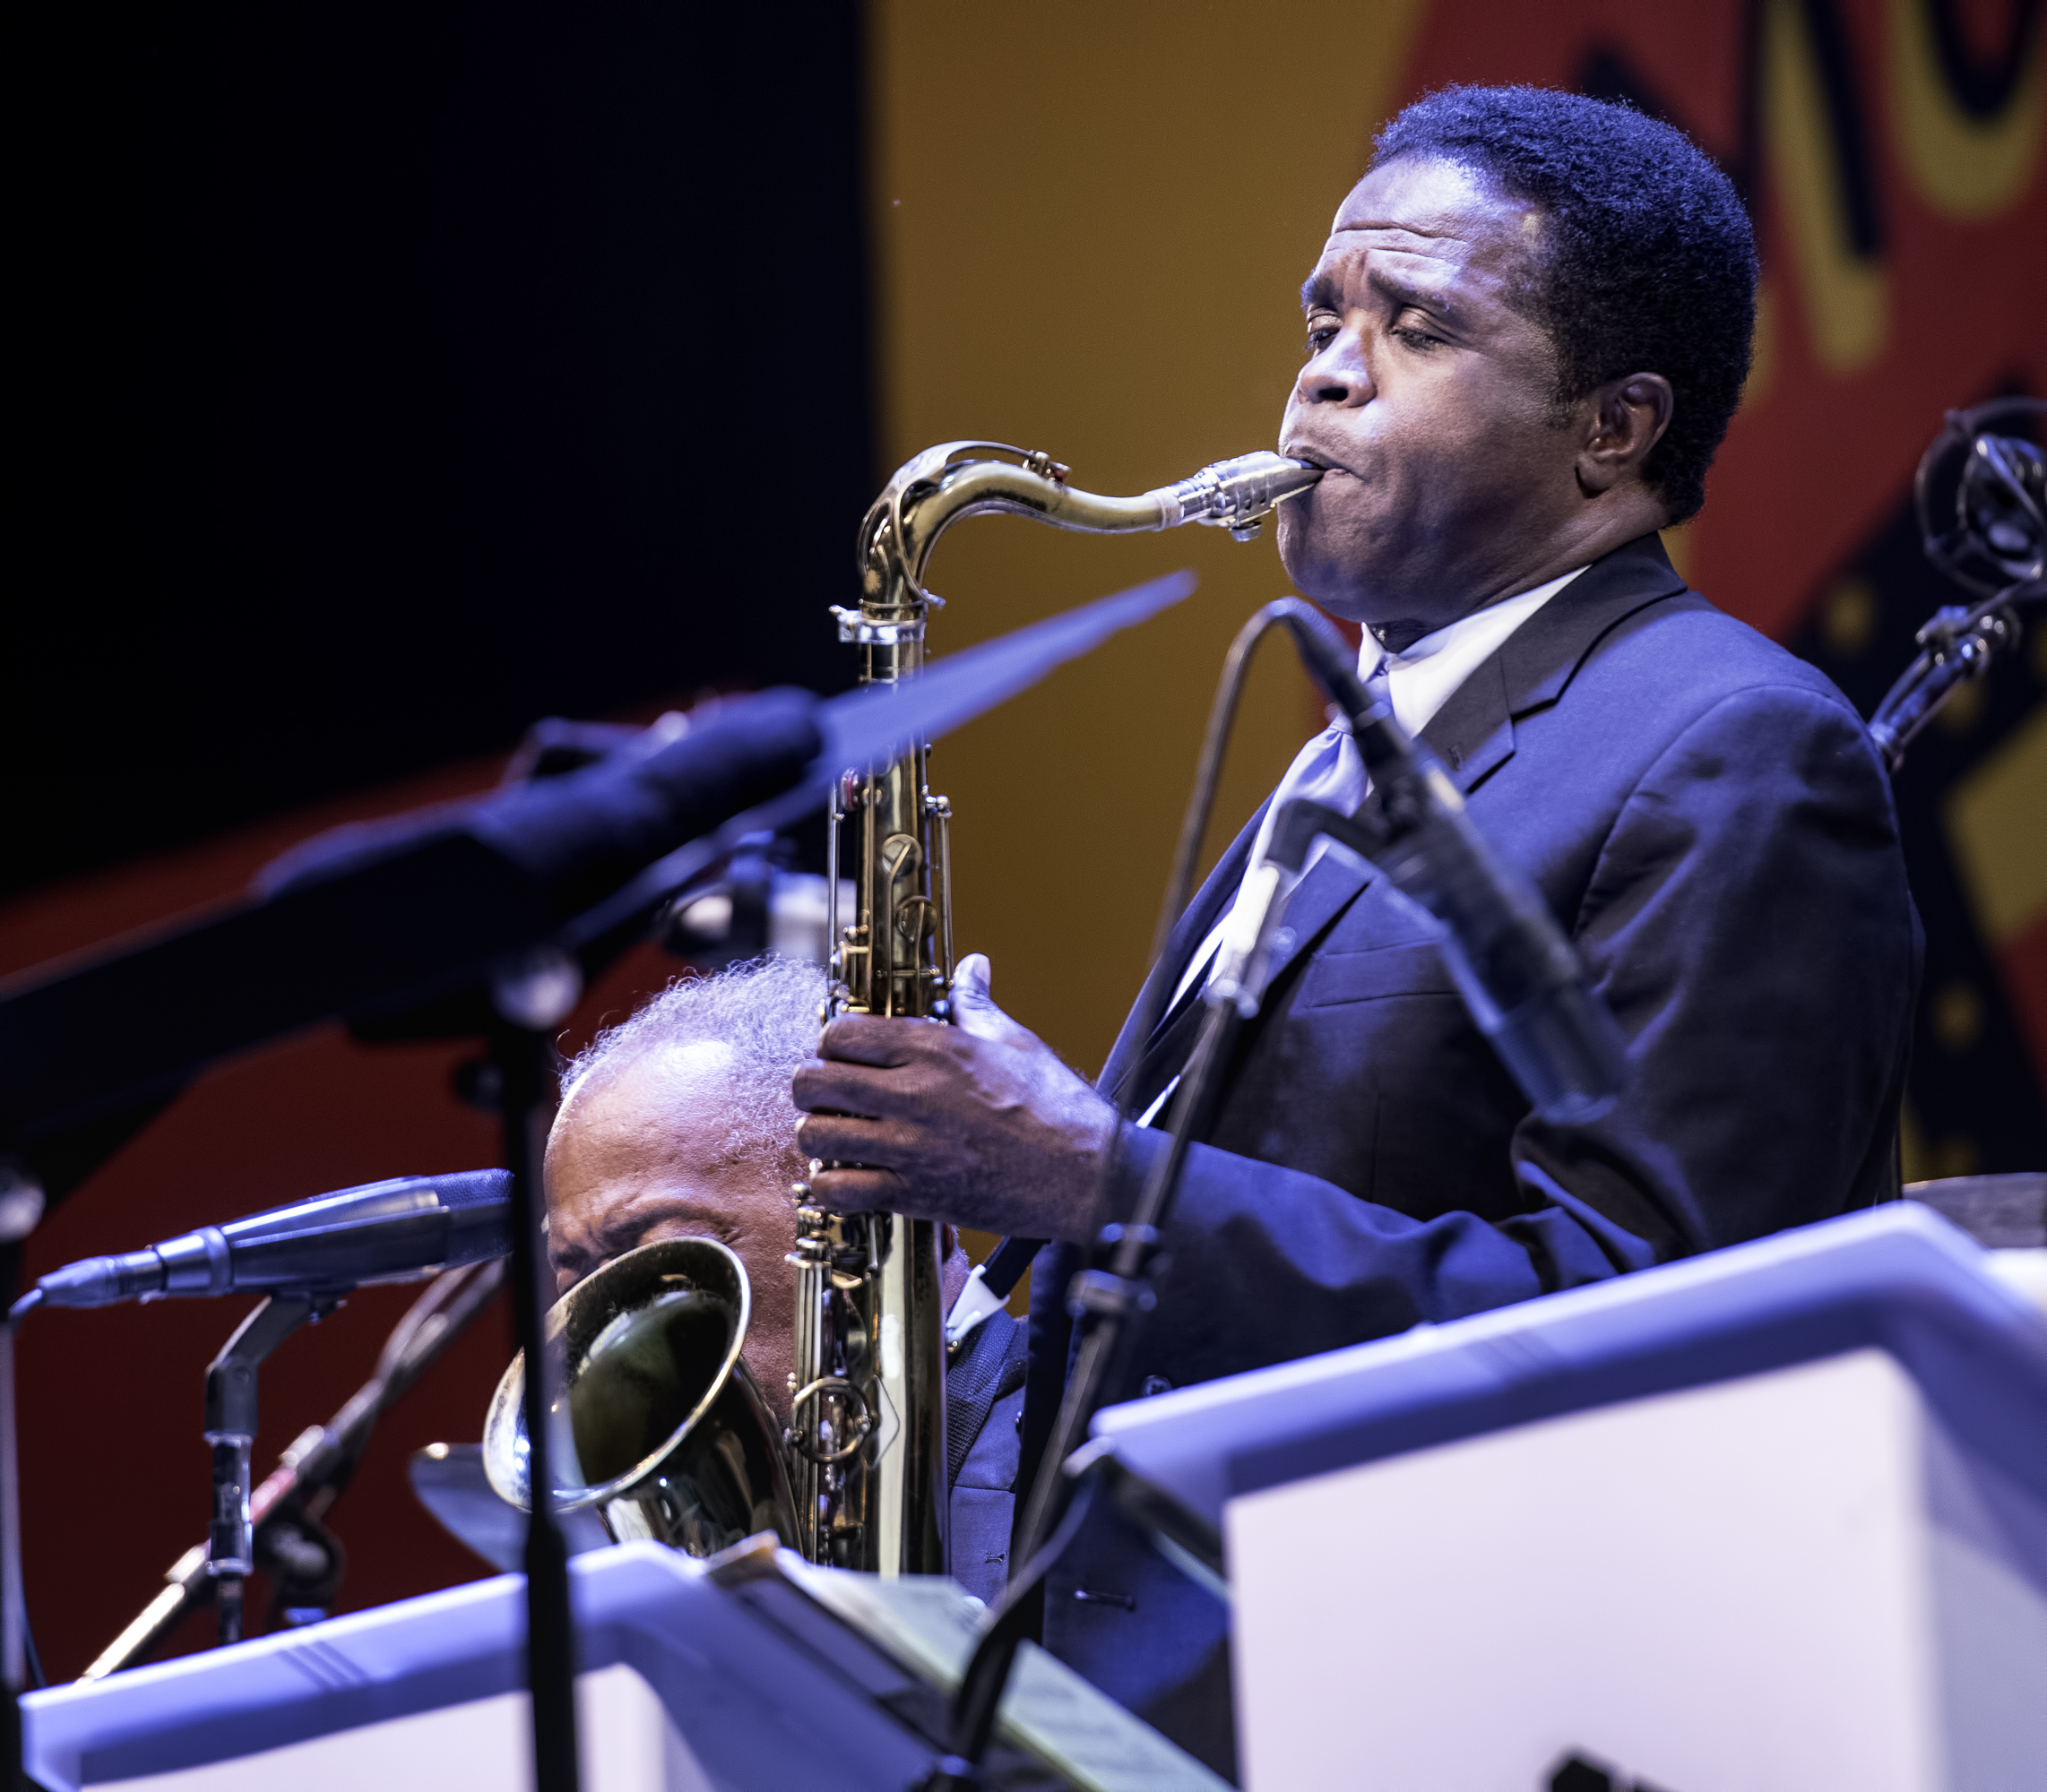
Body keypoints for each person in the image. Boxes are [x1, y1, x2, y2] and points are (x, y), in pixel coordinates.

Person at [790, 85, 1921, 1771]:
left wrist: (1090, 1182)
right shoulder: (1347, 743)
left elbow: (1664, 1324)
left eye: (1415, 328)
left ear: (1609, 429)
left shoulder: (1727, 745)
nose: (1323, 371)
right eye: (1321, 318)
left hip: (1447, 1703)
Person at [544, 954, 1031, 1604]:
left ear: (890, 1221)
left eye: (661, 1254)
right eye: (578, 1279)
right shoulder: (614, 1565)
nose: (619, 1335)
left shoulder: (1092, 1429)